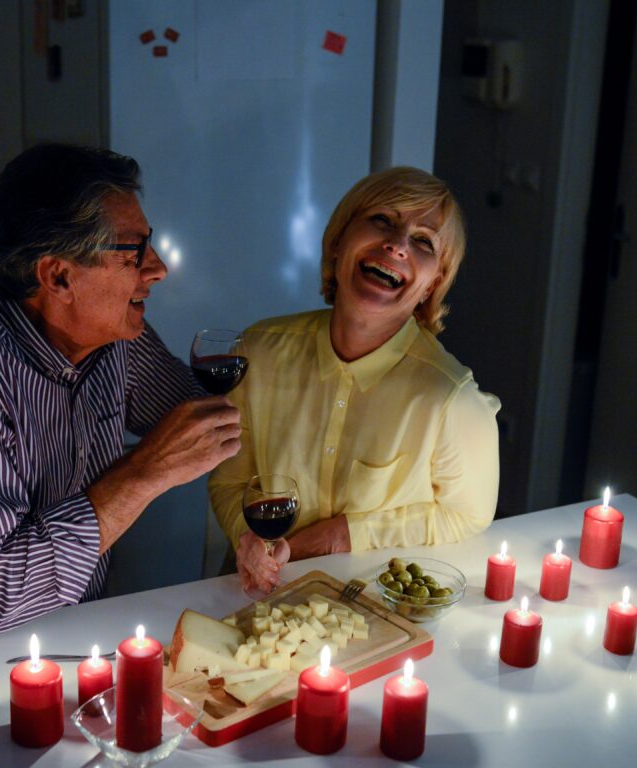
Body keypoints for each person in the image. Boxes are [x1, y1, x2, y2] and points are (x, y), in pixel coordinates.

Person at [0, 144, 240, 644]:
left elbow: (205, 421)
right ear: (58, 276)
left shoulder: (110, 339)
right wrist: (141, 474)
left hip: (63, 634)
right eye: (134, 251)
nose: (157, 268)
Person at [208, 167, 500, 594]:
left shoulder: (452, 399)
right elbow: (229, 481)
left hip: (370, 610)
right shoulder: (256, 352)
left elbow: (467, 515)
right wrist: (248, 540)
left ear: (432, 284)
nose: (397, 244)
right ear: (340, 240)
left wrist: (343, 535)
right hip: (256, 593)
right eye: (383, 219)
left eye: (423, 241)